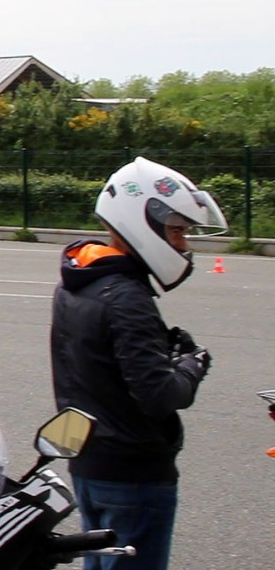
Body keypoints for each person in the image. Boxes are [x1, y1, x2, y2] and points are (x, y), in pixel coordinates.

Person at [50, 156, 227, 570]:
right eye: (177, 231)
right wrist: (192, 365)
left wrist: (159, 349)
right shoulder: (127, 297)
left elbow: (100, 362)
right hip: (132, 471)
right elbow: (159, 395)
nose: (183, 244)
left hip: (90, 460)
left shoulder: (81, 279)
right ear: (143, 221)